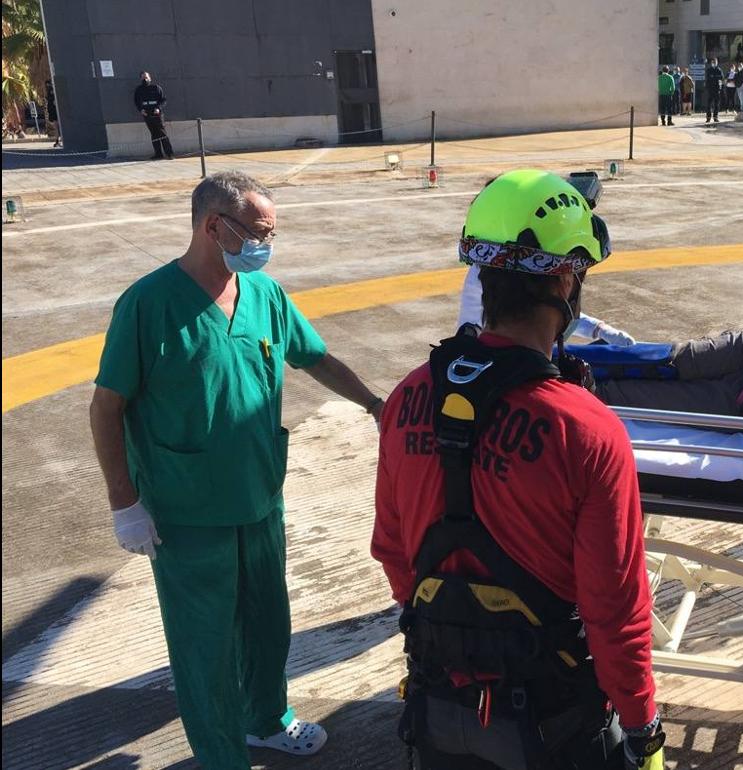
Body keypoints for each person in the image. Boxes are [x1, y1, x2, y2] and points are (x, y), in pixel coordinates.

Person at [89, 171, 387, 769]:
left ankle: (266, 720)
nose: (265, 244)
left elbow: (315, 357)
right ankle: (222, 757)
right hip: (186, 510)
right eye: (258, 232)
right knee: (206, 646)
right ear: (213, 226)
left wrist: (377, 405)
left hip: (258, 496)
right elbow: (106, 407)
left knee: (268, 621)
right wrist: (125, 503)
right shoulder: (148, 304)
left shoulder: (264, 295)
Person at [373, 170, 664, 770]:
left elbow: (393, 551)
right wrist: (642, 726)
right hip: (554, 723)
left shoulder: (408, 398)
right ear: (565, 279)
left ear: (483, 274)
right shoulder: (584, 428)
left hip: (440, 708)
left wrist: (451, 636)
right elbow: (615, 610)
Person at [458, 263, 635, 345]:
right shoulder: (499, 269)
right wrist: (596, 329)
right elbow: (539, 314)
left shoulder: (490, 264)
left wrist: (597, 328)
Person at [134, 71, 173, 160]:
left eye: (146, 77)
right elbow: (136, 102)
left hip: (157, 114)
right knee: (154, 134)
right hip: (147, 114)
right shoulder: (138, 90)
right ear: (140, 79)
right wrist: (141, 110)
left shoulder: (156, 88)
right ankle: (158, 154)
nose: (145, 79)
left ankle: (169, 153)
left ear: (150, 78)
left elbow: (163, 100)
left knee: (162, 133)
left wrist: (158, 108)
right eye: (143, 78)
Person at [703, 58, 723, 123]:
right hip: (710, 89)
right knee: (708, 104)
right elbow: (707, 79)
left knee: (716, 104)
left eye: (715, 62)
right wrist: (707, 87)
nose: (714, 63)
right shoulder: (709, 70)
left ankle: (715, 117)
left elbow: (721, 78)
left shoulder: (719, 70)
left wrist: (714, 77)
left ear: (717, 63)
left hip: (717, 89)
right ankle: (708, 117)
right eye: (713, 62)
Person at [44, 79, 60, 147]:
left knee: (56, 126)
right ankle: (57, 140)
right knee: (56, 126)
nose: (47, 86)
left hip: (53, 111)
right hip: (53, 111)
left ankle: (57, 140)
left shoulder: (51, 91)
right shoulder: (51, 91)